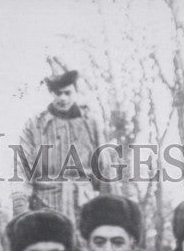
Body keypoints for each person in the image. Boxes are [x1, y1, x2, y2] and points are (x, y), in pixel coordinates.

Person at [12, 69, 111, 223]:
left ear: (76, 92)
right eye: (58, 93)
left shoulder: (90, 124)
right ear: (51, 94)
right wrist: (21, 212)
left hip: (85, 208)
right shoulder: (35, 125)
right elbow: (22, 171)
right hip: (45, 207)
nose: (63, 98)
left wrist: (111, 213)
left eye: (68, 92)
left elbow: (105, 170)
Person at [78, 195, 144, 251]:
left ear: (132, 246)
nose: (107, 250)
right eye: (99, 243)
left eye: (118, 243)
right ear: (87, 246)